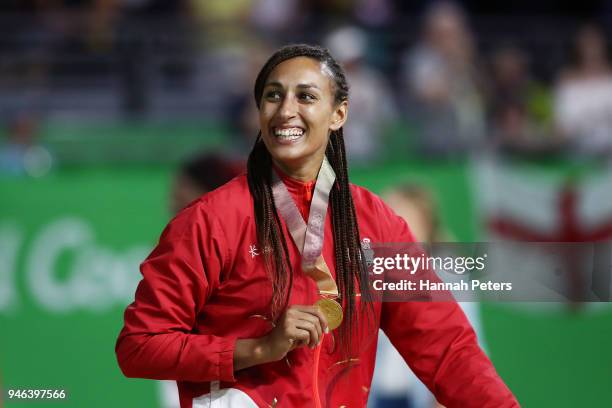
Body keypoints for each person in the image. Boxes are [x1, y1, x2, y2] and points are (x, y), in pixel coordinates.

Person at [116, 44, 519, 407]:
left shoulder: (376, 222)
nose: (285, 109)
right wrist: (256, 349)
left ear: (338, 113)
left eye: (305, 96)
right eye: (273, 95)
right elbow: (139, 345)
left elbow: (447, 348)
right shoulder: (211, 220)